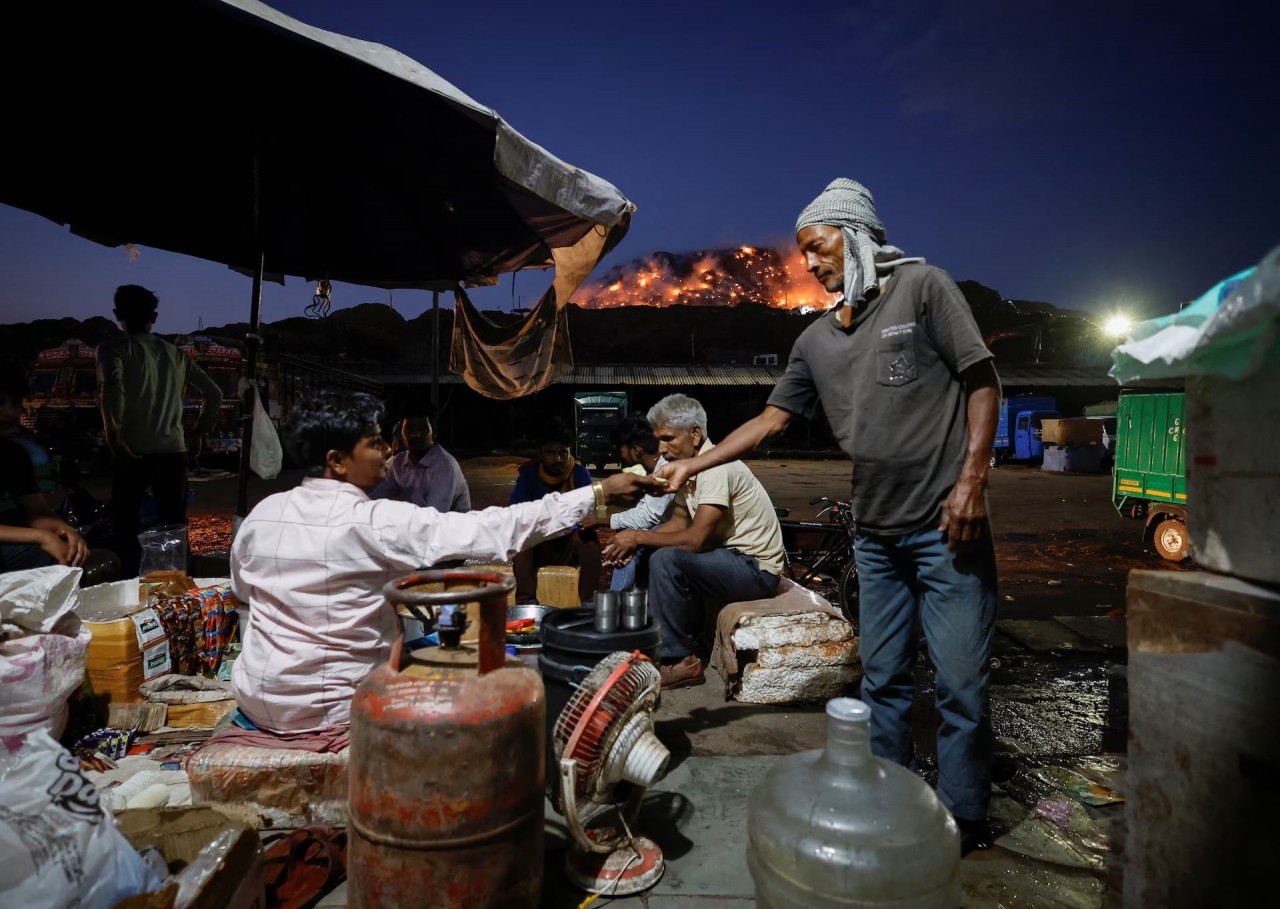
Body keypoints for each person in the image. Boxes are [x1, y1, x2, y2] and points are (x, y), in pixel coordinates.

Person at [659, 179, 1001, 848]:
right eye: (804, 253)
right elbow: (770, 420)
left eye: (818, 247)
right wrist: (694, 463)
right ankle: (893, 802)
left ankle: (966, 816)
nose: (809, 264)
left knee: (960, 682)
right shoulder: (815, 340)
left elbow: (983, 380)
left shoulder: (924, 289)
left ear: (857, 234)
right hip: (875, 537)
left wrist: (972, 481)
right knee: (883, 679)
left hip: (944, 528)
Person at [230, 390, 659, 733]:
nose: (386, 450)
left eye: (386, 438)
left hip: (259, 699)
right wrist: (596, 495)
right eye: (374, 442)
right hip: (336, 710)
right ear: (336, 461)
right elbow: (494, 529)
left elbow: (246, 604)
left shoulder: (260, 516)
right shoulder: (373, 522)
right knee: (482, 681)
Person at [602, 394, 785, 689]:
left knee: (667, 559)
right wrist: (635, 542)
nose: (660, 448)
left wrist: (637, 536)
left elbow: (696, 539)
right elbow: (677, 523)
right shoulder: (689, 469)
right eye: (657, 439)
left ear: (695, 434)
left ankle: (680, 661)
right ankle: (653, 638)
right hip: (729, 559)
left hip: (756, 570)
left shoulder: (714, 467)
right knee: (652, 552)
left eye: (668, 438)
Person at [97, 285, 223, 575]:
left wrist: (113, 435)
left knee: (126, 523)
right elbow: (214, 393)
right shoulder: (175, 355)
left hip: (132, 451)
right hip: (173, 450)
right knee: (175, 522)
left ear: (117, 314)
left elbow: (112, 389)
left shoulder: (112, 348)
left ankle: (130, 581)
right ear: (154, 316)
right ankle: (181, 579)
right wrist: (198, 432)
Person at [0, 367, 118, 582]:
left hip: (15, 539)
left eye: (15, 403)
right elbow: (37, 530)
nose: (10, 412)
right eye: (1, 403)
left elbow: (37, 511)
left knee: (97, 560)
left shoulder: (14, 454)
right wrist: (41, 537)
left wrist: (64, 531)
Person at [509, 419, 601, 604]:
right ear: (540, 454)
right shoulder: (529, 475)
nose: (557, 459)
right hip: (540, 543)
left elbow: (586, 515)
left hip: (568, 543)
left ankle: (587, 603)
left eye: (563, 453)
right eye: (551, 453)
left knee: (589, 539)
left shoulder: (580, 474)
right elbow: (516, 513)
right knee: (521, 537)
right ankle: (527, 601)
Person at [607, 413, 674, 591]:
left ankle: (616, 601)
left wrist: (604, 519)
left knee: (627, 539)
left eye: (619, 448)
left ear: (636, 450)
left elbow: (647, 516)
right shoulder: (654, 469)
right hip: (673, 526)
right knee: (631, 534)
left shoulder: (666, 467)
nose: (618, 454)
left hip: (688, 532)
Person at [370, 410, 470, 512]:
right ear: (401, 433)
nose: (415, 435)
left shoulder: (445, 467)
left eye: (423, 429)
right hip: (418, 522)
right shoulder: (397, 463)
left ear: (434, 434)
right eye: (409, 429)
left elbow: (434, 518)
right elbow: (375, 497)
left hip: (448, 525)